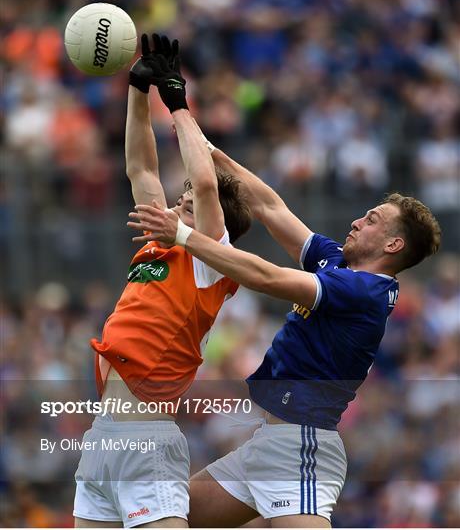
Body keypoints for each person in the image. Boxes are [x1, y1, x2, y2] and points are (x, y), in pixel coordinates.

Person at [128, 137, 441, 528]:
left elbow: (266, 277)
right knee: (169, 513)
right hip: (268, 442)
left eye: (373, 220)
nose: (357, 221)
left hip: (302, 447)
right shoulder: (338, 265)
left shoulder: (365, 291)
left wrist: (184, 235)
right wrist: (212, 154)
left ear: (393, 244)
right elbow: (267, 205)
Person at [73, 34, 251, 528]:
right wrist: (138, 88)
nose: (175, 206)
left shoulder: (212, 258)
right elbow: (140, 167)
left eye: (186, 205)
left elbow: (209, 182)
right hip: (102, 441)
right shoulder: (160, 245)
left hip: (147, 439)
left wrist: (178, 103)